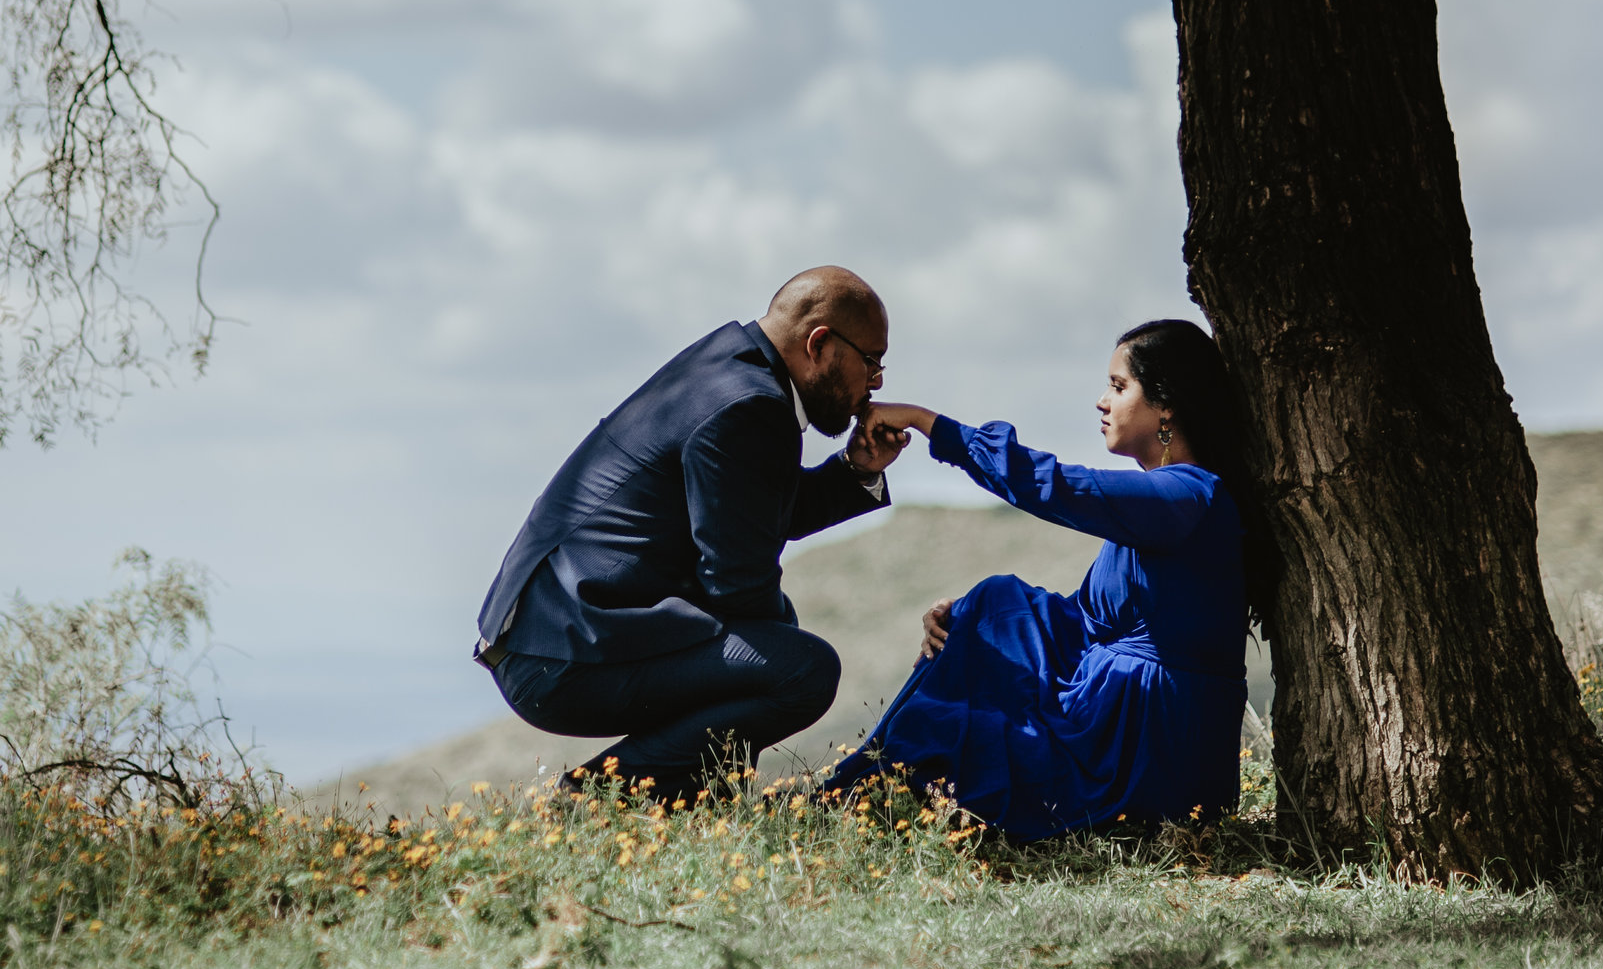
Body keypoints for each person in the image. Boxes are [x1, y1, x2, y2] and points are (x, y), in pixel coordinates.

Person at [474, 267, 910, 800]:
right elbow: (737, 582)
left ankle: (700, 806)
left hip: (549, 638)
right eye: (870, 360)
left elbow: (754, 511)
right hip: (559, 656)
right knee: (803, 669)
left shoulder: (735, 370)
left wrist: (856, 469)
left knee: (775, 644)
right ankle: (590, 800)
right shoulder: (748, 403)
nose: (878, 381)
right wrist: (779, 645)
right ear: (819, 343)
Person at [823, 319, 1250, 838]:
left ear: (1166, 406)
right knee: (992, 603)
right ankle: (861, 793)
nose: (1101, 401)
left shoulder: (1188, 498)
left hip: (1149, 742)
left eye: (1118, 387)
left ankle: (856, 797)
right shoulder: (1168, 500)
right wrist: (968, 619)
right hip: (1117, 714)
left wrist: (924, 421)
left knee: (952, 728)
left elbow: (1056, 486)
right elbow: (1082, 620)